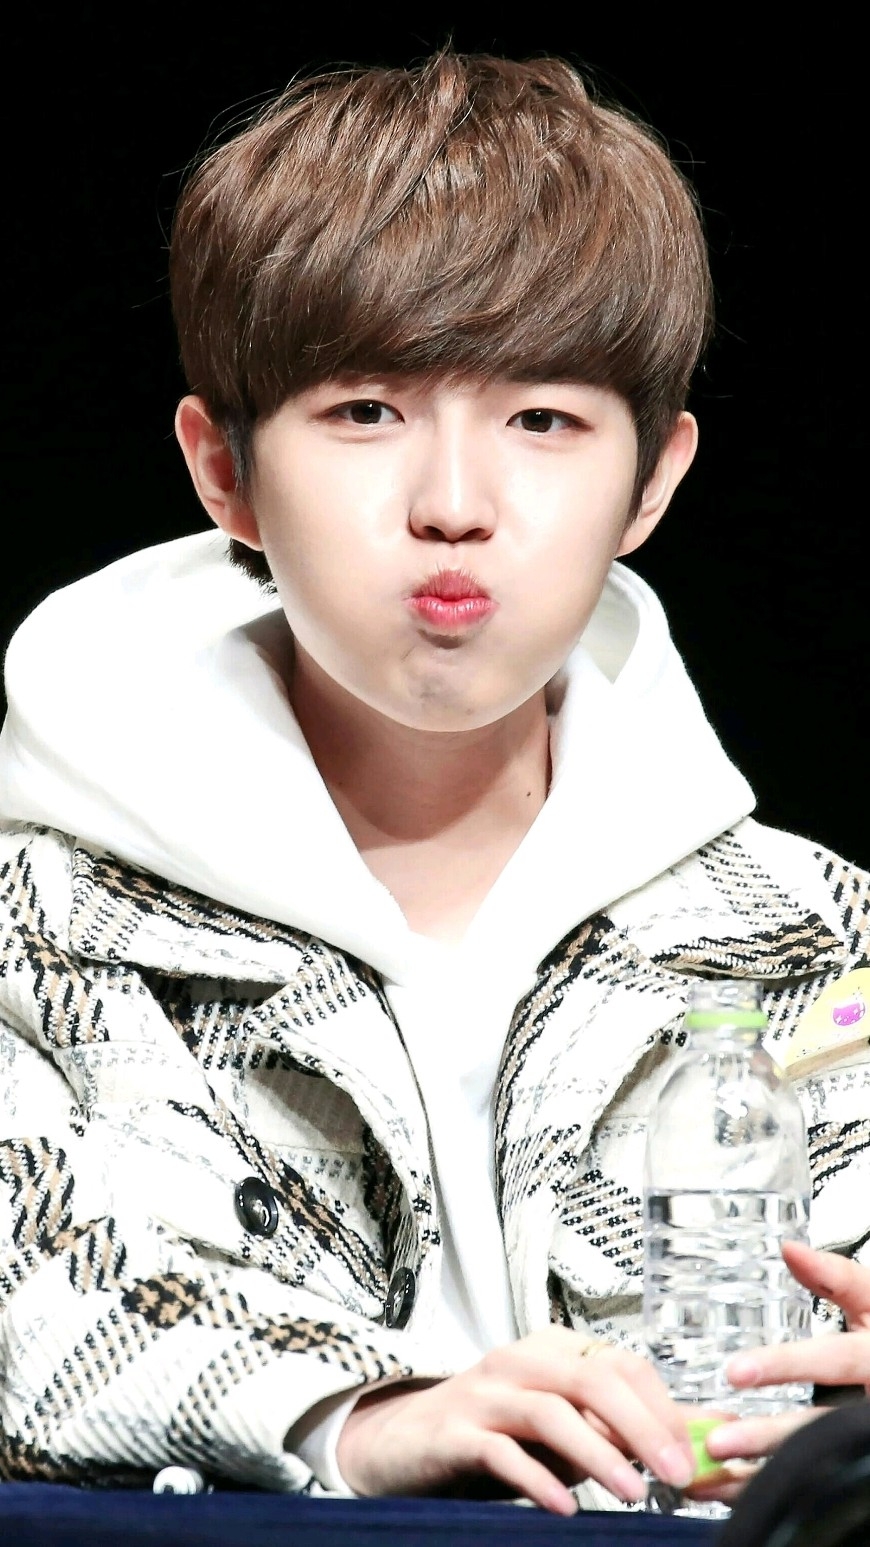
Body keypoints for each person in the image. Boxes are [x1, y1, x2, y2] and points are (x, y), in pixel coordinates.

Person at [0, 51, 867, 1514]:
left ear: (654, 479)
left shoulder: (816, 940)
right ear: (223, 473)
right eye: (364, 412)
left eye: (543, 421)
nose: (453, 505)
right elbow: (32, 1296)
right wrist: (363, 1416)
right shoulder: (35, 928)